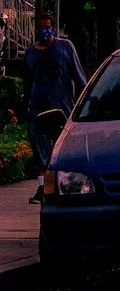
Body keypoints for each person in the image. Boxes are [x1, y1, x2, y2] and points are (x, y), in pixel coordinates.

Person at [23, 16, 85, 192]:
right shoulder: (30, 53)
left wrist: (82, 107)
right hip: (37, 108)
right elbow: (27, 82)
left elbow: (79, 78)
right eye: (41, 27)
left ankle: (65, 186)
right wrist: (25, 108)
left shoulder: (65, 47)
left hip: (62, 108)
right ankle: (43, 188)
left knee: (63, 150)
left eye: (48, 27)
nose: (45, 31)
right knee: (40, 149)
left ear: (53, 27)